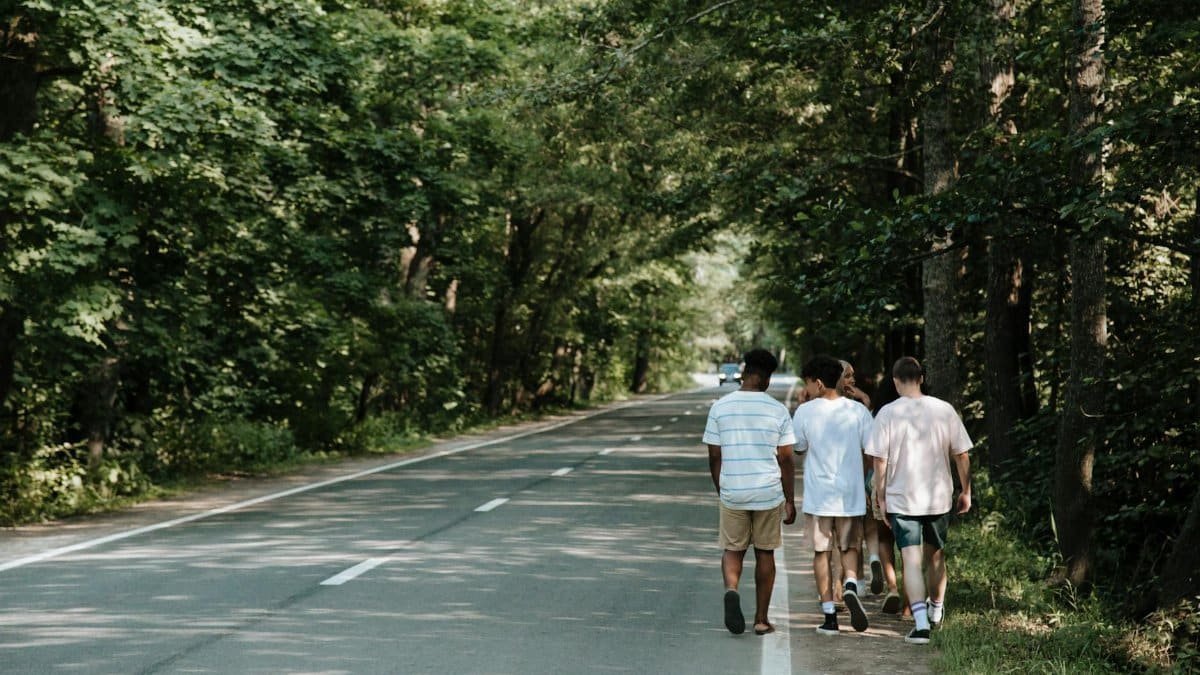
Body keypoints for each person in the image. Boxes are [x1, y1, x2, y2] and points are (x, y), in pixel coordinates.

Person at [866, 356, 973, 645]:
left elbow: (880, 461)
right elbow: (961, 454)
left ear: (896, 381)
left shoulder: (887, 414)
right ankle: (936, 609)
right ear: (922, 378)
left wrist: (880, 496)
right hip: (938, 497)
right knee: (936, 555)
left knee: (910, 561)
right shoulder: (944, 410)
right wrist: (966, 491)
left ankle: (921, 624)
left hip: (902, 499)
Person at [704, 348, 797, 636]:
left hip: (733, 489)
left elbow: (714, 455)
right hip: (767, 492)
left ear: (744, 373)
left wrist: (722, 487)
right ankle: (761, 619)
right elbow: (785, 459)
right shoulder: (777, 410)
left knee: (733, 549)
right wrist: (790, 499)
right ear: (767, 379)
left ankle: (731, 589)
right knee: (765, 552)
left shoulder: (720, 407)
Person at [792, 355, 875, 635]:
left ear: (817, 383)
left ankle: (829, 616)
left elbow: (799, 447)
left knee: (821, 553)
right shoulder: (857, 412)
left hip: (819, 496)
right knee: (849, 547)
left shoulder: (805, 412)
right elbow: (871, 450)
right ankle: (850, 582)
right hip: (850, 493)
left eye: (808, 384)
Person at [866, 373, 904, 614]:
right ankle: (911, 605)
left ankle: (892, 587)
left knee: (884, 538)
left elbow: (873, 456)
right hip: (913, 484)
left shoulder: (879, 415)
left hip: (883, 482)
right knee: (910, 546)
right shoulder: (921, 414)